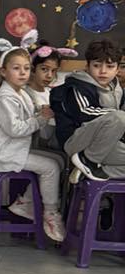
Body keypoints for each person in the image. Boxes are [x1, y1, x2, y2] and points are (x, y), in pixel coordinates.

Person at [0, 47, 64, 241]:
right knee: (51, 167)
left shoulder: (21, 94)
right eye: (16, 68)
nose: (23, 73)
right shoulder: (5, 98)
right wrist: (41, 118)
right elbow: (16, 129)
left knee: (59, 160)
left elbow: (28, 120)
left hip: (13, 150)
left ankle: (25, 202)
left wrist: (40, 114)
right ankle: (50, 213)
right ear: (3, 72)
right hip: (1, 155)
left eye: (26, 68)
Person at [50, 38, 125, 179]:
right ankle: (87, 160)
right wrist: (118, 115)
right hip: (76, 141)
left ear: (117, 69)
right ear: (87, 66)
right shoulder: (77, 86)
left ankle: (89, 171)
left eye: (110, 67)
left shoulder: (117, 89)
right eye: (97, 65)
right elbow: (83, 112)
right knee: (120, 117)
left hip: (102, 142)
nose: (103, 71)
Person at [24, 40, 73, 149]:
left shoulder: (52, 93)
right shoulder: (25, 95)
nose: (49, 75)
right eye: (44, 69)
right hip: (34, 146)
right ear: (32, 68)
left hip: (52, 143)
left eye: (53, 71)